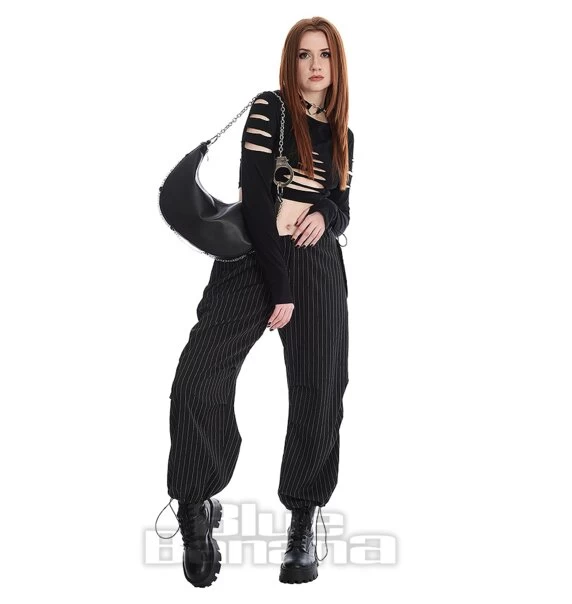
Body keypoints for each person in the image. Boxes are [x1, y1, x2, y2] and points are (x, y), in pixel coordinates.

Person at [155, 16, 354, 587]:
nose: (315, 65)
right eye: (304, 54)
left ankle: (303, 519)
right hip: (254, 258)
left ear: (337, 65)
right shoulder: (271, 109)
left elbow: (343, 207)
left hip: (317, 264)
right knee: (199, 377)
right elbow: (258, 199)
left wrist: (325, 214)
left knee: (321, 387)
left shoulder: (343, 132)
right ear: (291, 62)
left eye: (325, 55)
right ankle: (195, 506)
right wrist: (280, 287)